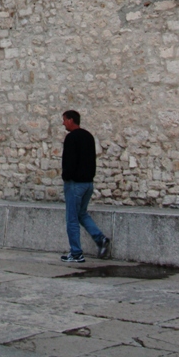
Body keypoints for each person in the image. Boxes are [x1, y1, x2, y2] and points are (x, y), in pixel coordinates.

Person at [60, 110, 110, 263]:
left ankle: (76, 253)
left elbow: (68, 162)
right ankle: (100, 238)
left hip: (75, 184)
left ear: (70, 120)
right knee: (82, 214)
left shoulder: (71, 138)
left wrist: (66, 177)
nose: (63, 123)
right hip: (88, 183)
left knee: (72, 219)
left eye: (64, 120)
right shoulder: (88, 136)